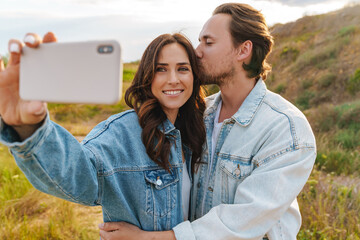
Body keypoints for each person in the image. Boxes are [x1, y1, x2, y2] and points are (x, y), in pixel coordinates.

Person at [98, 3, 317, 240]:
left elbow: (241, 222)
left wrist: (145, 238)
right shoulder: (199, 114)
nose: (197, 51)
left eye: (208, 42)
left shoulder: (285, 129)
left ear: (243, 50)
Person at [0, 32, 206, 232]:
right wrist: (28, 127)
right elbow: (77, 174)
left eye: (182, 69)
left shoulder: (197, 129)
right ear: (148, 76)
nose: (173, 79)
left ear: (194, 76)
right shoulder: (121, 132)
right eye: (161, 69)